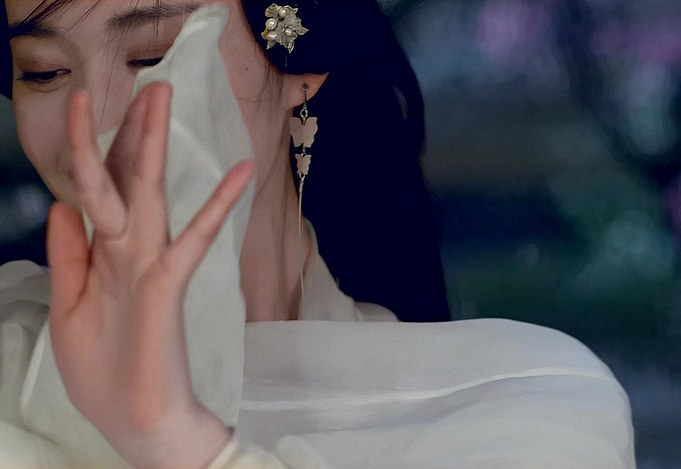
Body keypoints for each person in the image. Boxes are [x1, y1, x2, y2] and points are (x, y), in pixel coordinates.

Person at [0, 1, 636, 468]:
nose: (95, 122)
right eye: (43, 72)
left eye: (155, 55)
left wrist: (172, 440)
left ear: (297, 67)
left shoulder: (520, 398)